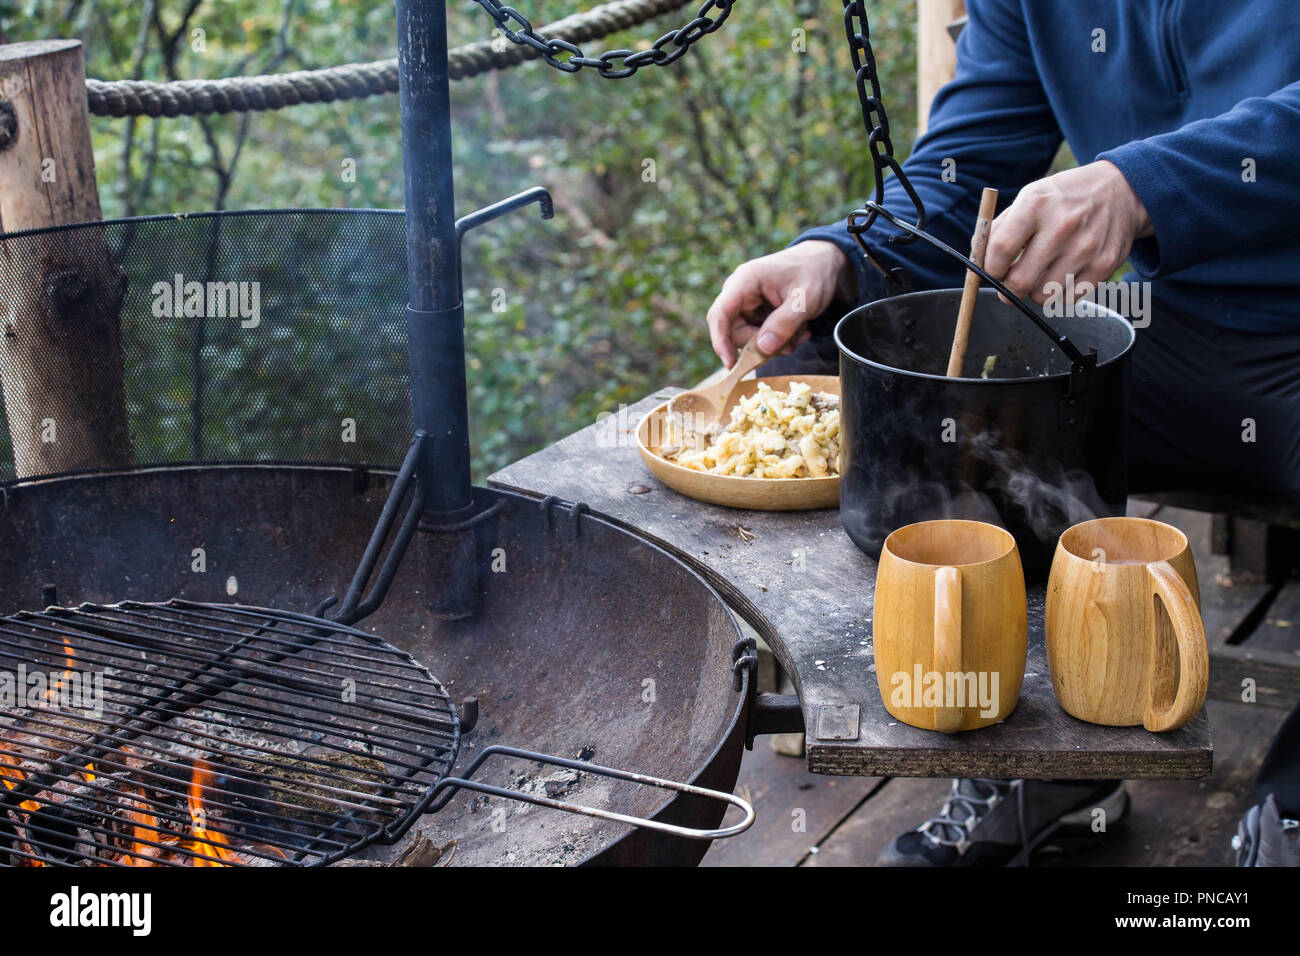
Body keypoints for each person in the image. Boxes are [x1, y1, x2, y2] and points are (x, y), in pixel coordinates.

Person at [705, 0, 1300, 866]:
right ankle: (1047, 762)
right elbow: (966, 166)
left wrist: (1141, 186)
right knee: (836, 387)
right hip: (1159, 328)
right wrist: (838, 255)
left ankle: (1292, 812)